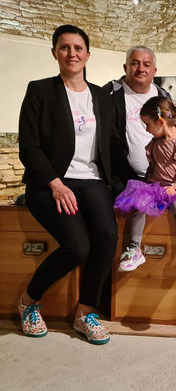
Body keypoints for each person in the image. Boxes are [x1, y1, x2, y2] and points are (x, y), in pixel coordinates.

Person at [18, 25, 120, 345]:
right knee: (78, 246)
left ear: (88, 54)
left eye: (78, 48)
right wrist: (55, 184)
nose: (71, 53)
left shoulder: (102, 97)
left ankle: (85, 312)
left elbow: (111, 144)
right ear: (54, 53)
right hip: (50, 182)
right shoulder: (40, 91)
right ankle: (29, 301)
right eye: (64, 48)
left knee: (107, 235)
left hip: (91, 180)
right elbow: (29, 147)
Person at [114, 96, 176, 275]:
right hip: (155, 187)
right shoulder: (155, 144)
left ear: (160, 121)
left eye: (147, 124)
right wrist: (145, 189)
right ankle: (135, 250)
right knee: (138, 204)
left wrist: (175, 187)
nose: (146, 129)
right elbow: (153, 168)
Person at [102, 46, 171, 271]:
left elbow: (174, 135)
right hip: (121, 181)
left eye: (146, 64)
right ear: (125, 67)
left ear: (154, 71)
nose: (141, 69)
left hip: (160, 180)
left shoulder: (164, 97)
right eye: (135, 63)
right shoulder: (109, 95)